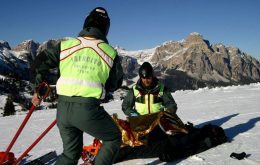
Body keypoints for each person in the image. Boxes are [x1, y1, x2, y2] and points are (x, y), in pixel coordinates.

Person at [30, 7, 123, 165]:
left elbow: (39, 63)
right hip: (88, 110)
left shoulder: (66, 45)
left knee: (70, 155)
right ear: (105, 28)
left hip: (63, 111)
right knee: (113, 138)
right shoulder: (110, 53)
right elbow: (115, 82)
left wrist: (38, 90)